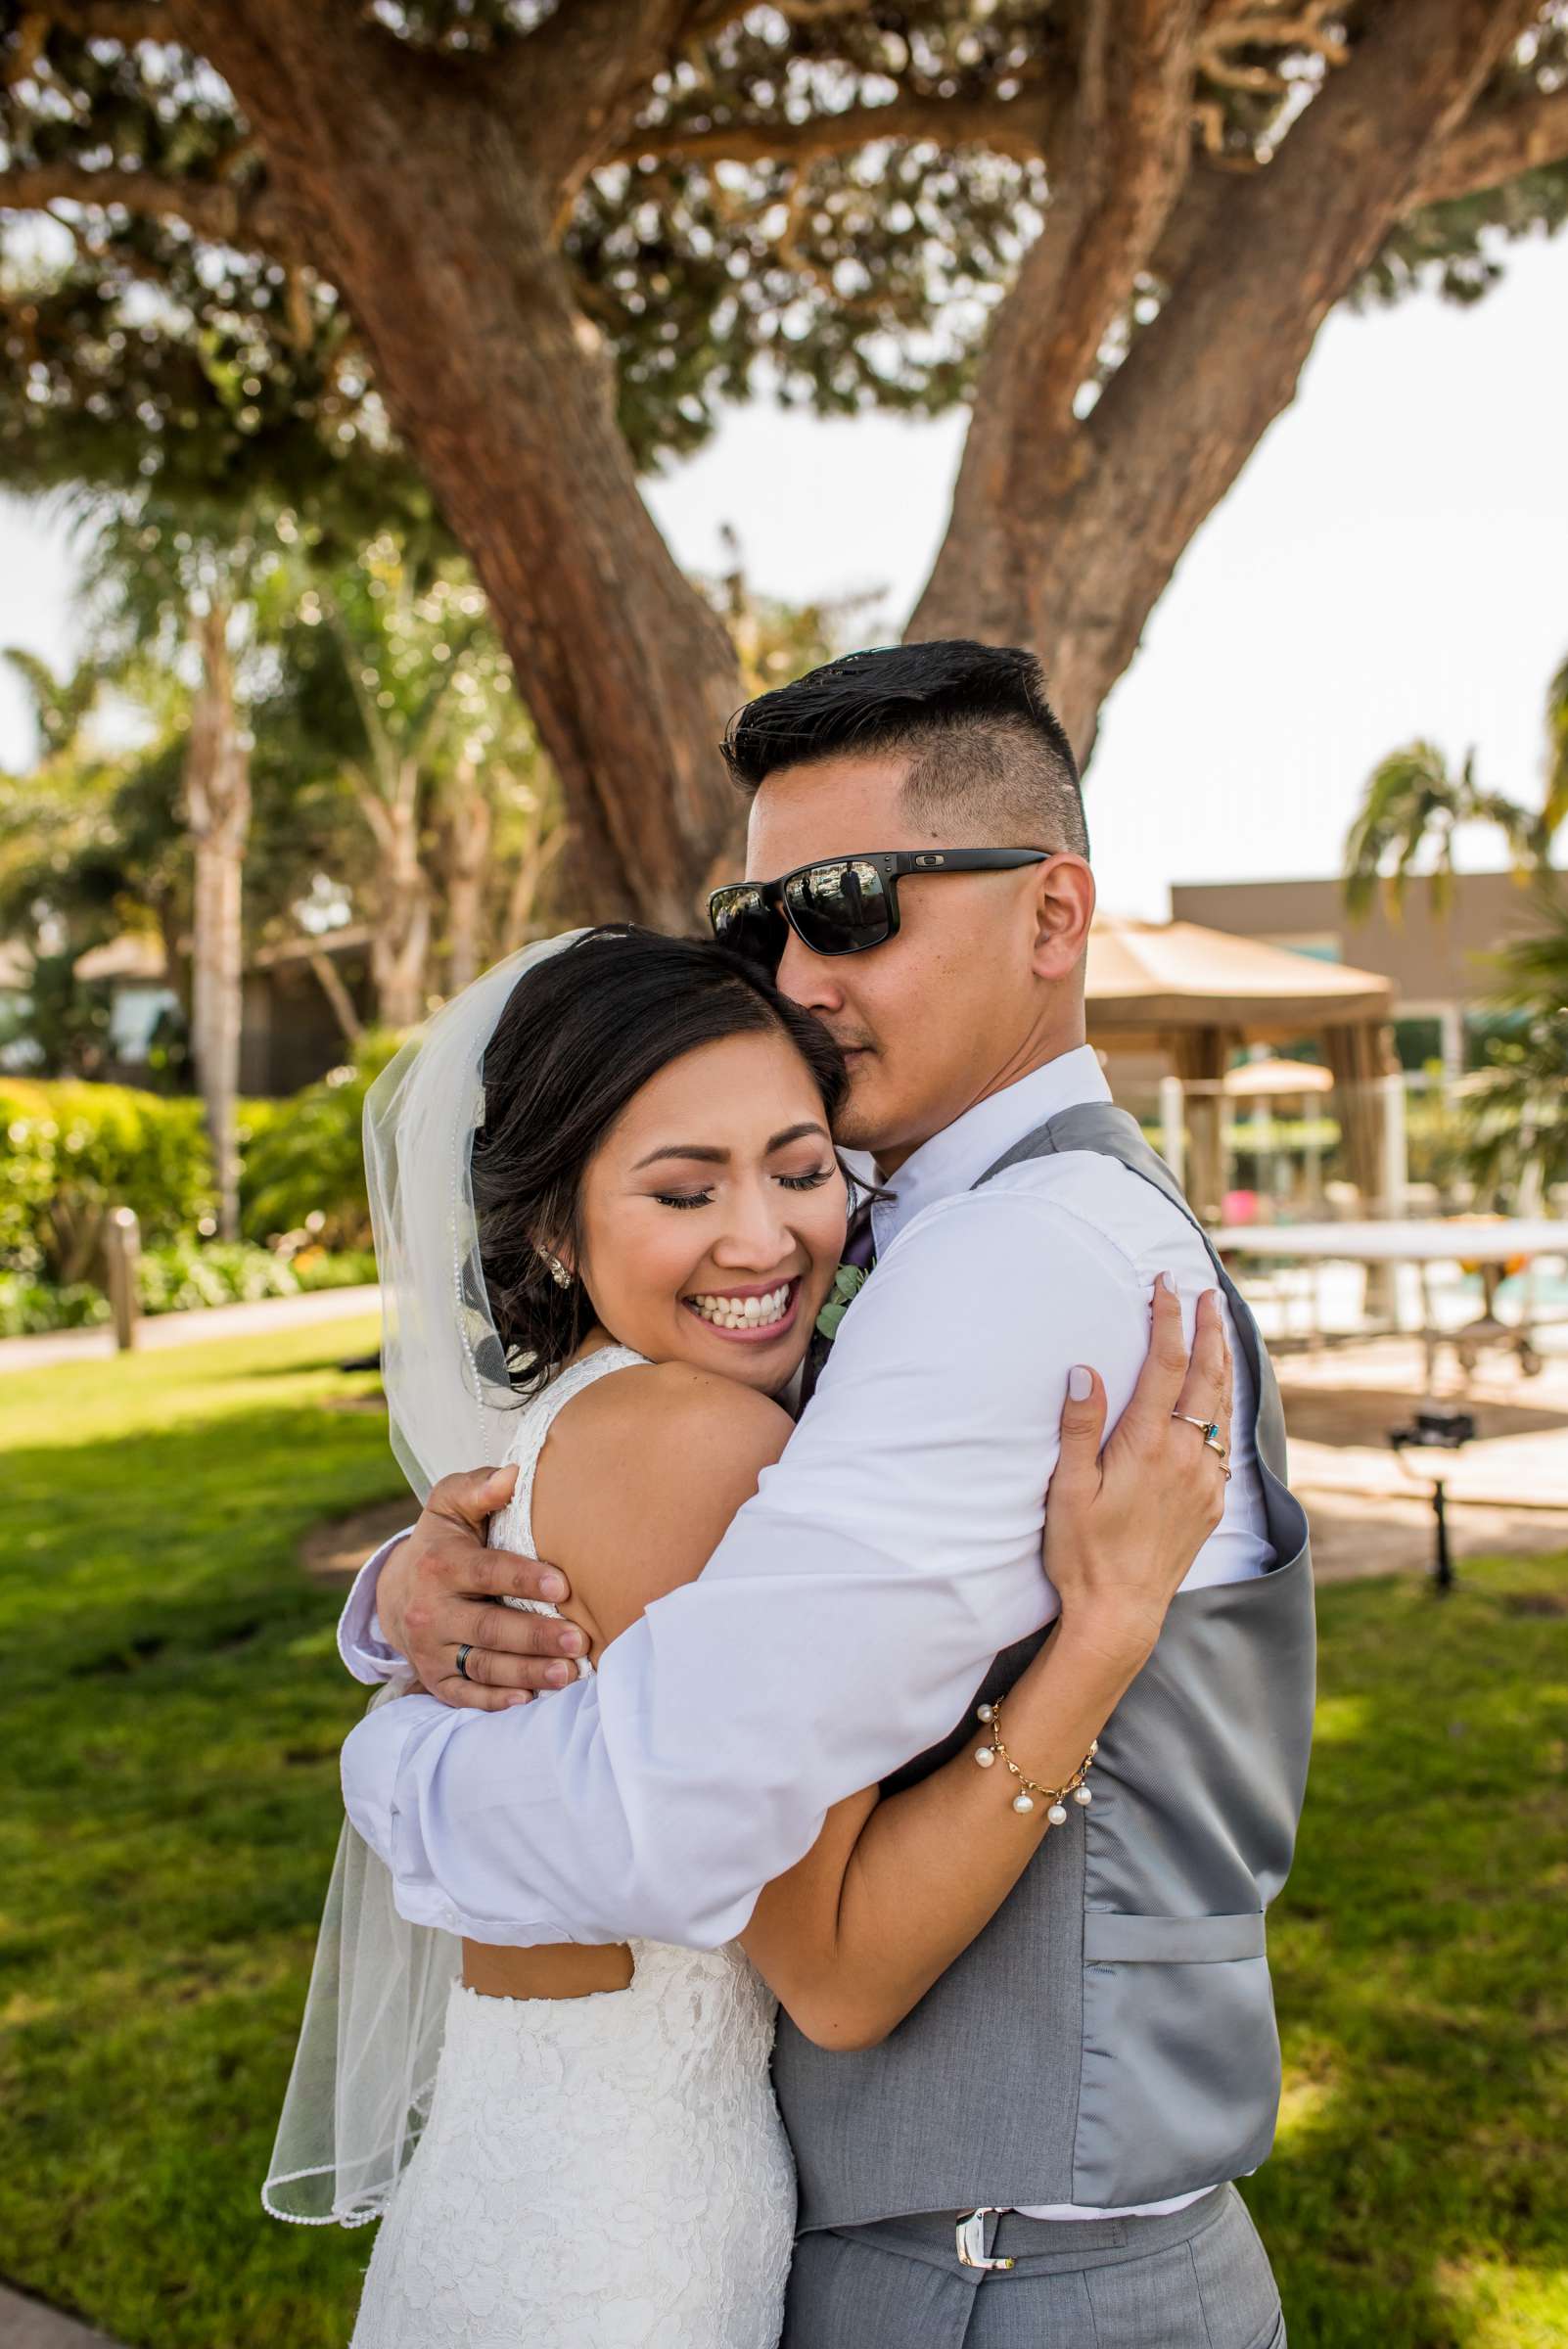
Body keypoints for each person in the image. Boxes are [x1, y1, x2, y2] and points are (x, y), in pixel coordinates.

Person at [335, 642, 1314, 2347]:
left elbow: (682, 1824)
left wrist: (398, 1755)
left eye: (854, 907)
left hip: (994, 2274)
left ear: (1052, 916)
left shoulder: (1012, 1263)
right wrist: (399, 1614)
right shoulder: (896, 1236)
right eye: (758, 921)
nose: (793, 973)